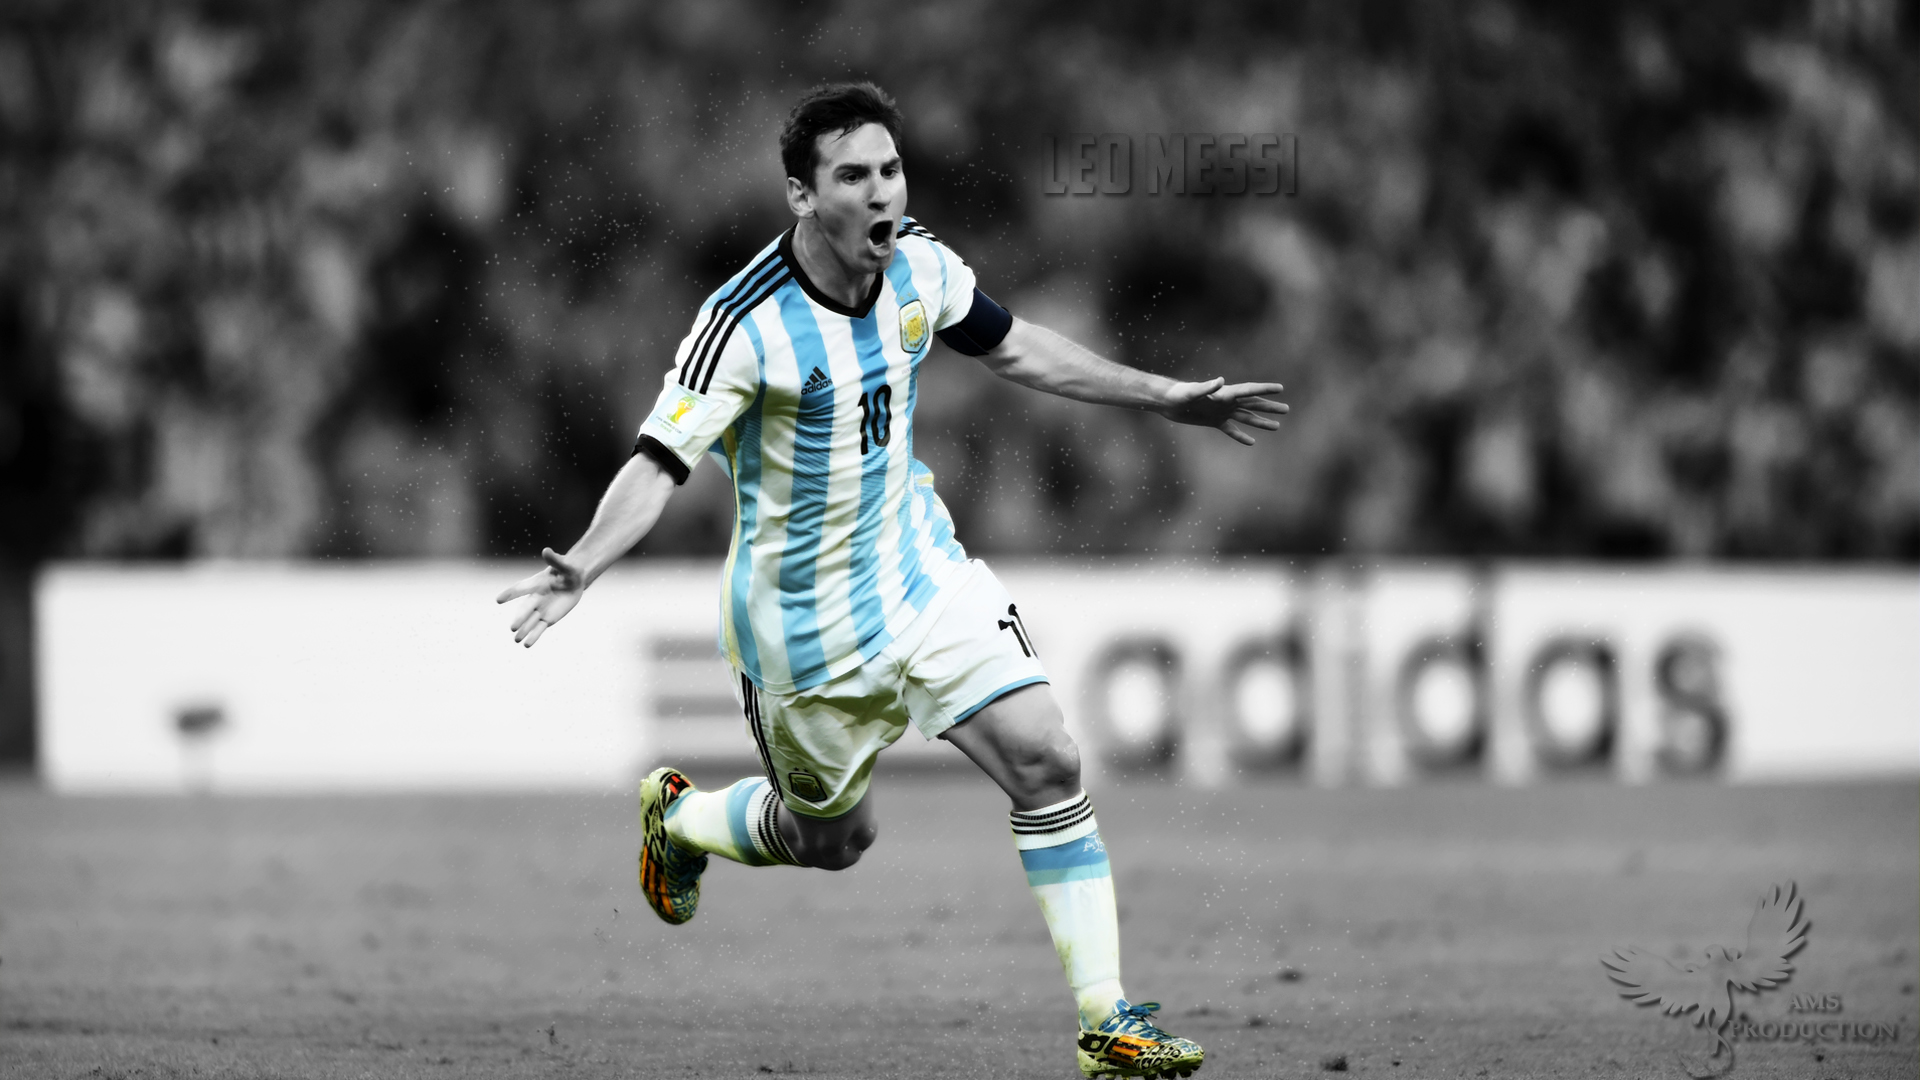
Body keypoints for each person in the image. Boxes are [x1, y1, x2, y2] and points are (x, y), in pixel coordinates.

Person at [496, 81, 1286, 1080]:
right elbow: (660, 460)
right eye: (852, 176)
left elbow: (1016, 345)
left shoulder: (920, 266)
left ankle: (1106, 1024)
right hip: (804, 635)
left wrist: (1163, 396)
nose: (881, 193)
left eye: (890, 170)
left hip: (920, 575)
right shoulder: (743, 324)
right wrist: (588, 560)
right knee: (833, 841)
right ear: (801, 194)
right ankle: (683, 820)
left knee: (1047, 757)